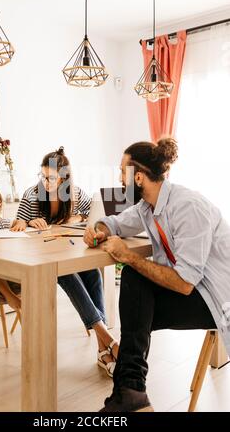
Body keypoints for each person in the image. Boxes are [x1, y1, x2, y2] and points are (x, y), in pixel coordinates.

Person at [84, 138, 230, 412]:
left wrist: (128, 256)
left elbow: (185, 283)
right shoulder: (147, 207)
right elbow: (117, 222)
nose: (119, 178)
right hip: (195, 291)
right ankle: (131, 392)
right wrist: (99, 227)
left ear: (138, 177)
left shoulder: (188, 206)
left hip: (216, 302)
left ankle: (130, 394)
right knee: (135, 290)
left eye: (121, 172)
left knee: (135, 296)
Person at [11, 146, 119, 376]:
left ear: (64, 177)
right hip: (40, 258)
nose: (45, 182)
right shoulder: (32, 195)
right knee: (67, 274)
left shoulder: (77, 194)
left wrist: (78, 217)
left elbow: (95, 218)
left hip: (70, 250)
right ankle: (108, 338)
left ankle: (103, 349)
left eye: (50, 178)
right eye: (42, 176)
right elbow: (17, 223)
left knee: (92, 274)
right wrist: (29, 223)